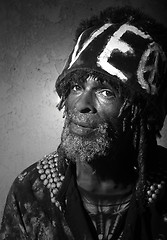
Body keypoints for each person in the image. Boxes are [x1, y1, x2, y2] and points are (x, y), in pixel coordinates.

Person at [0, 6, 167, 240]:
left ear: (144, 113)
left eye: (107, 92)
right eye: (77, 87)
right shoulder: (30, 191)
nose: (83, 104)